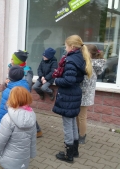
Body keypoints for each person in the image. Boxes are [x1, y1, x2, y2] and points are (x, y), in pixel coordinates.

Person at [53, 35, 92, 163]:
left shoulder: (70, 60)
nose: (65, 48)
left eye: (66, 45)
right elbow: (76, 78)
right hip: (75, 93)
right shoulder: (80, 57)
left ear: (72, 46)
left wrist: (56, 80)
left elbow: (68, 80)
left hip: (68, 94)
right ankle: (74, 151)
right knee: (73, 123)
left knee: (68, 125)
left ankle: (68, 155)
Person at [0, 87, 37, 169]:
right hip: (24, 159)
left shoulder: (7, 119)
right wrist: (32, 153)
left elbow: (0, 140)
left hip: (7, 160)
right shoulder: (32, 117)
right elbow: (33, 139)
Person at [6, 50, 43, 137]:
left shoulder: (27, 71)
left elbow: (28, 84)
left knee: (26, 111)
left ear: (18, 61)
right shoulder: (12, 67)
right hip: (14, 93)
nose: (11, 60)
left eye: (12, 59)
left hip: (22, 95)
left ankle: (37, 130)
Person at [77, 44, 105, 144]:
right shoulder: (90, 63)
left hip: (85, 94)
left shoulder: (90, 65)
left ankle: (82, 136)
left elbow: (87, 82)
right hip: (83, 93)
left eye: (83, 51)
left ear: (88, 53)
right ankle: (78, 133)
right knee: (78, 115)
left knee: (82, 116)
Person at [0, 65, 30, 134]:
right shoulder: (26, 87)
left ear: (10, 77)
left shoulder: (8, 92)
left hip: (9, 125)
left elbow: (2, 112)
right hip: (22, 123)